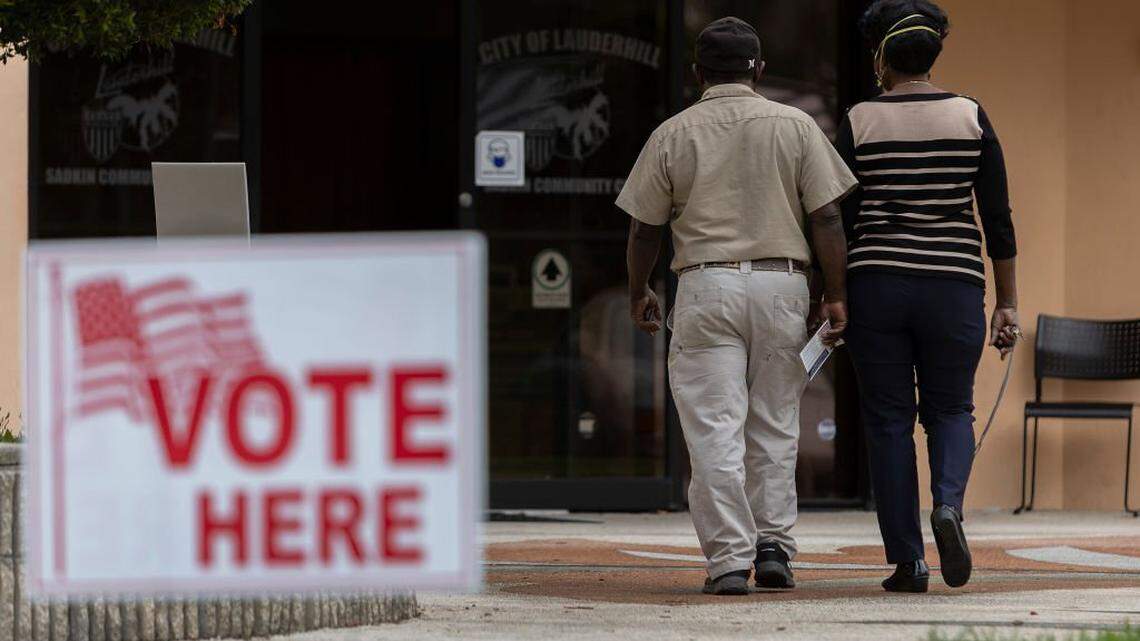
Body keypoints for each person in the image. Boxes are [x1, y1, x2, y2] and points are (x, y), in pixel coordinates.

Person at [617, 16, 857, 595]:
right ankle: (774, 545)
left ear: (698, 73)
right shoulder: (796, 125)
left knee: (713, 431)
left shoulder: (673, 132)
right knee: (775, 426)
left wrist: (638, 289)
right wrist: (835, 294)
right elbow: (826, 216)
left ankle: (728, 560)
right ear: (761, 70)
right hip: (782, 286)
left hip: (705, 287)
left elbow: (645, 228)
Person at [835, 0, 1020, 593]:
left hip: (877, 284)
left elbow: (842, 216)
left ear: (883, 58)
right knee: (949, 410)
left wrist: (831, 293)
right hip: (954, 286)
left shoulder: (860, 119)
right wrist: (1008, 303)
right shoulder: (970, 115)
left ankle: (908, 562)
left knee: (888, 420)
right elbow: (998, 218)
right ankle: (948, 507)